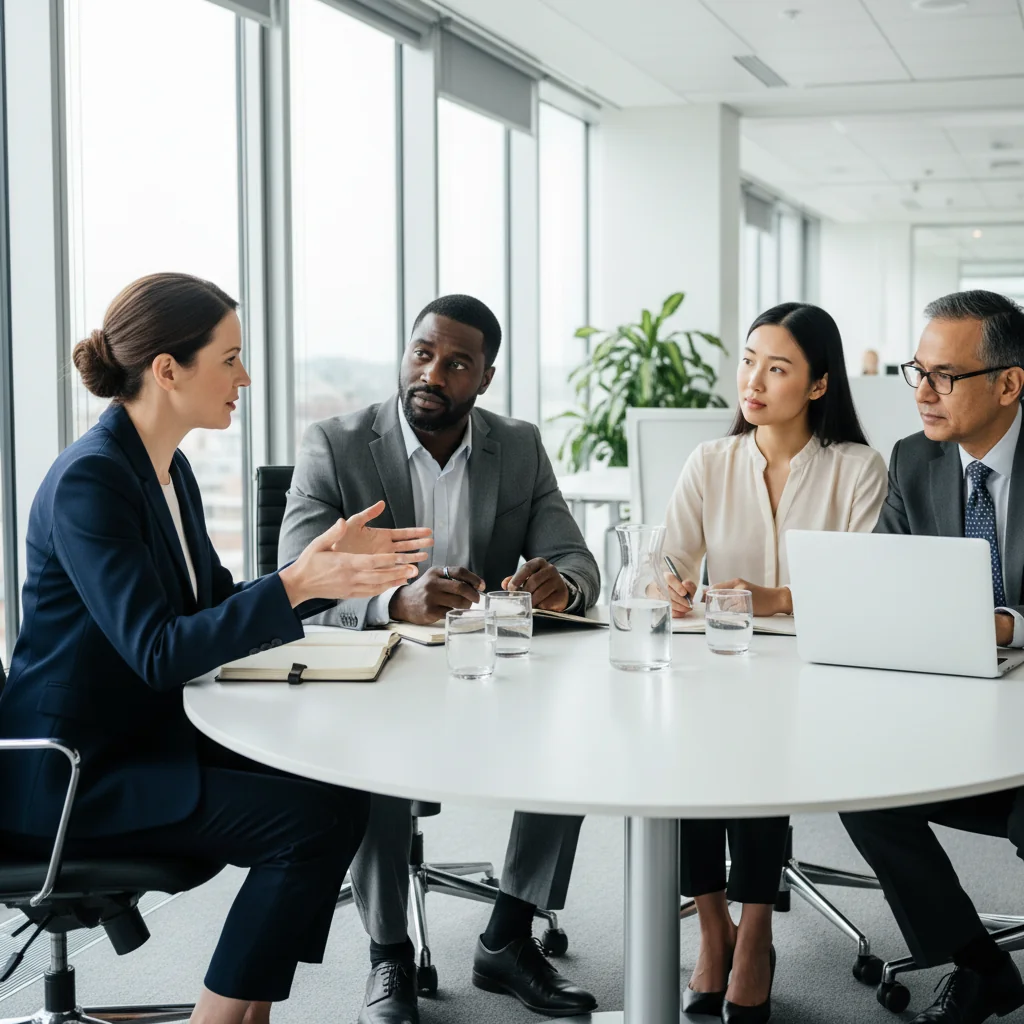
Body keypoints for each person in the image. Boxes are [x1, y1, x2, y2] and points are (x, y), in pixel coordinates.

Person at [0, 273, 433, 1024]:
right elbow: (160, 651)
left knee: (338, 792)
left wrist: (318, 574)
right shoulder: (92, 481)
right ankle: (221, 1017)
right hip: (76, 774)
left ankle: (243, 1013)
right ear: (168, 370)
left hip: (143, 738)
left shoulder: (168, 468)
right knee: (310, 824)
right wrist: (296, 585)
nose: (246, 377)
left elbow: (212, 606)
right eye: (229, 359)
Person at [278, 294, 601, 1023]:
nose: (433, 372)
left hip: (488, 674)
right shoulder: (334, 442)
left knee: (576, 739)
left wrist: (563, 583)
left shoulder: (516, 446)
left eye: (457, 362)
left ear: (485, 377)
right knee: (377, 763)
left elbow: (577, 561)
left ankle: (508, 937)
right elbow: (295, 584)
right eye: (422, 353)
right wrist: (395, 601)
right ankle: (388, 953)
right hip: (379, 673)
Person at [661, 302, 887, 1023]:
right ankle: (711, 926)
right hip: (720, 668)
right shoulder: (712, 460)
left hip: (818, 678)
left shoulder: (858, 469)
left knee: (754, 747)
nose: (753, 380)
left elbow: (868, 594)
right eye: (750, 360)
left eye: (778, 367)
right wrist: (666, 584)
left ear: (818, 385)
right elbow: (665, 561)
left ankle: (754, 934)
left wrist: (774, 598)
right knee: (690, 750)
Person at [841, 289, 1024, 1024]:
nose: (921, 391)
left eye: (944, 375)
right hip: (958, 712)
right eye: (917, 370)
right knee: (863, 791)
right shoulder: (915, 459)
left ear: (1009, 383)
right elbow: (889, 585)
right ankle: (979, 965)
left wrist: (1004, 625)